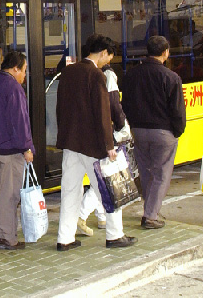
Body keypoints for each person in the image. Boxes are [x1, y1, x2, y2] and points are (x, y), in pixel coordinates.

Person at [56, 34, 136, 251]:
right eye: (108, 57)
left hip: (70, 143)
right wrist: (109, 145)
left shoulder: (68, 71)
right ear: (102, 53)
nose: (108, 61)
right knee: (108, 189)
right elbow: (103, 113)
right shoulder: (96, 75)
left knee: (70, 191)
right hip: (93, 145)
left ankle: (65, 238)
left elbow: (60, 107)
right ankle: (114, 235)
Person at [121, 36, 186, 229]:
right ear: (165, 52)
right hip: (163, 132)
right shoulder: (171, 77)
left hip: (139, 131)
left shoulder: (131, 75)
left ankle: (149, 208)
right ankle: (150, 215)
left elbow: (125, 105)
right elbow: (177, 110)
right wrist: (177, 131)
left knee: (145, 171)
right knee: (162, 173)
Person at [0, 51, 34, 250]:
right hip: (9, 150)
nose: (24, 76)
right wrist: (27, 147)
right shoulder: (13, 88)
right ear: (15, 69)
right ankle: (6, 237)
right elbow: (19, 123)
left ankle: (2, 233)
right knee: (9, 195)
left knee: (3, 192)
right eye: (24, 71)